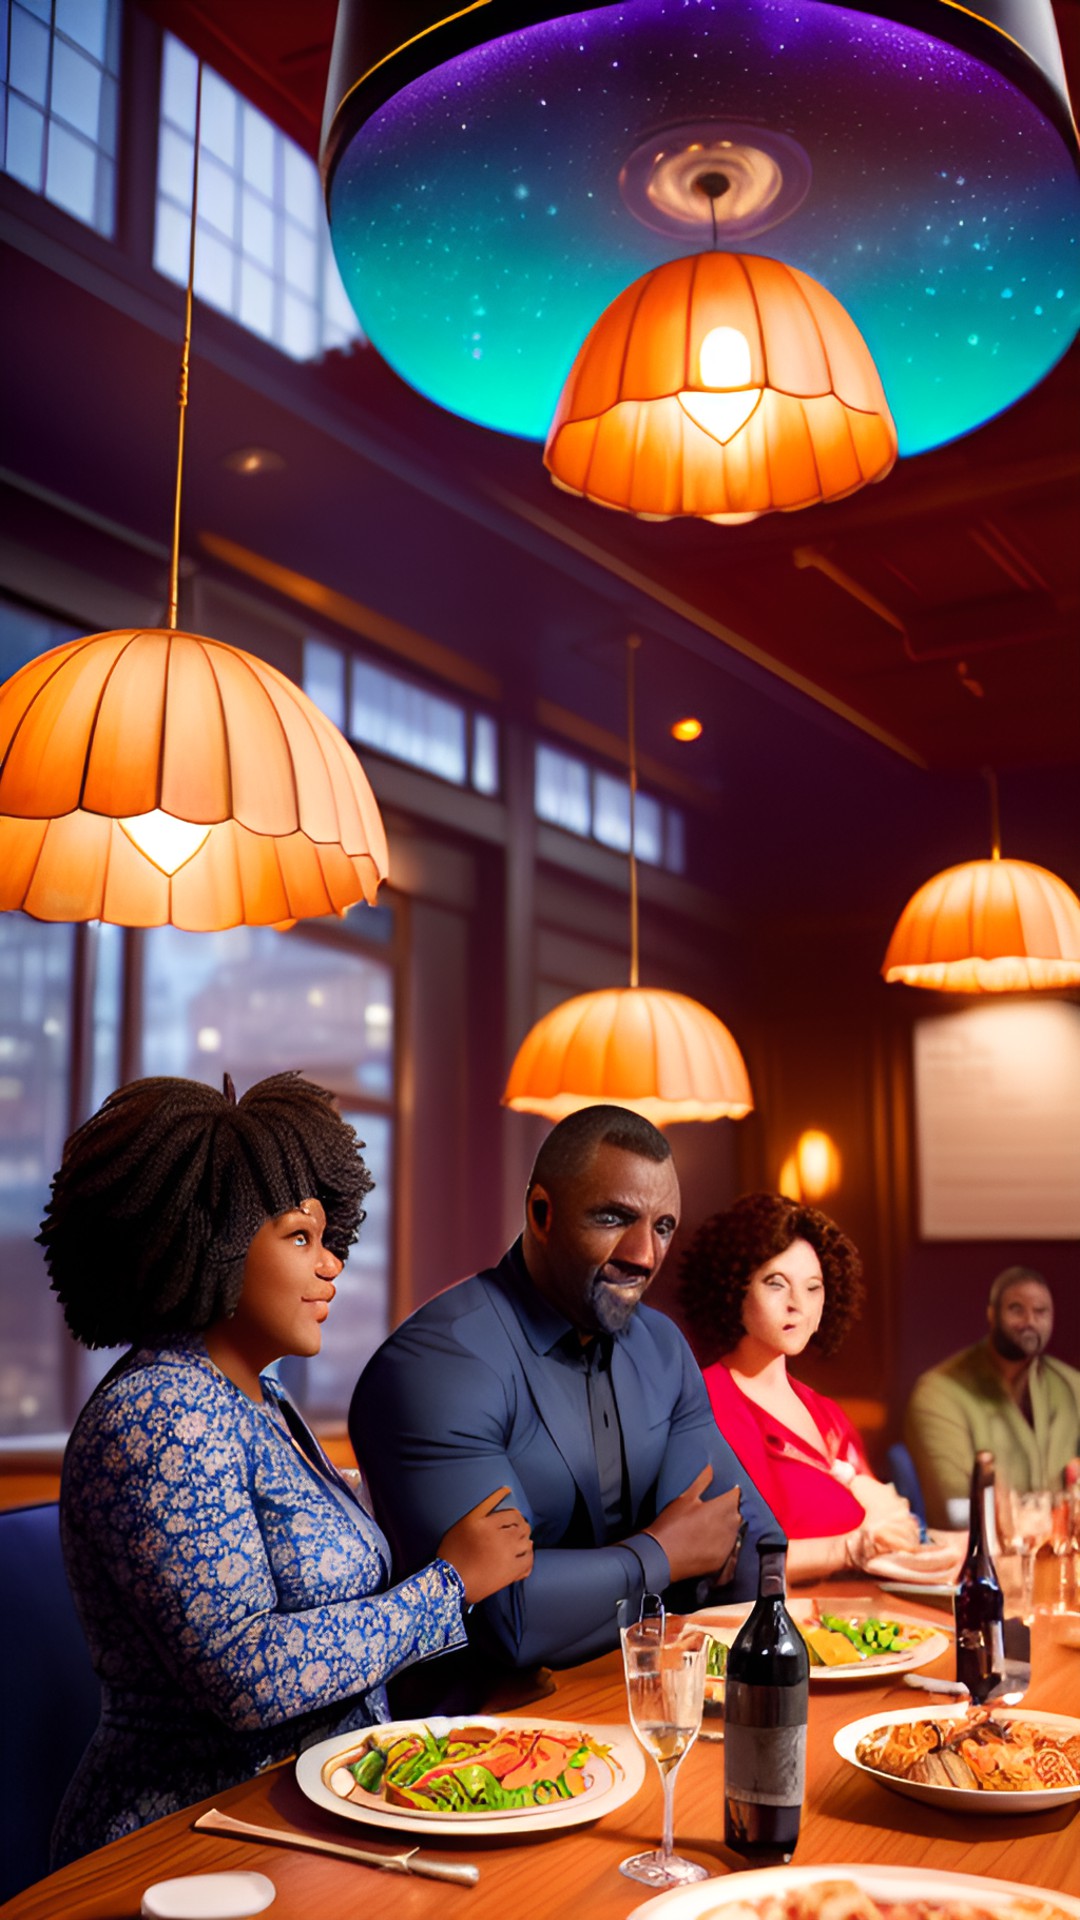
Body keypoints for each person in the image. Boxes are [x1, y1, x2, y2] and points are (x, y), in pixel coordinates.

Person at [39, 1072, 532, 1864]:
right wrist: (449, 1584)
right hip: (185, 1846)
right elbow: (249, 1676)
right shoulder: (163, 1416)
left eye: (332, 1238)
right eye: (300, 1238)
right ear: (210, 1239)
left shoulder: (259, 1397)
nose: (332, 1264)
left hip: (299, 1822)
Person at [350, 1104, 778, 1682]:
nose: (644, 1256)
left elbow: (755, 1547)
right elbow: (510, 1619)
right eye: (613, 1218)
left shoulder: (661, 1346)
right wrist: (663, 1553)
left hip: (643, 1695)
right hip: (477, 1733)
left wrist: (605, 1583)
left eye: (663, 1226)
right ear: (541, 1213)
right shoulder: (439, 1363)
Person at [679, 1193, 959, 1583]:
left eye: (814, 1288)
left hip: (864, 1618)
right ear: (733, 1289)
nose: (799, 1304)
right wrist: (849, 1549)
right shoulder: (713, 1404)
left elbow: (893, 1528)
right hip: (772, 1628)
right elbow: (734, 1559)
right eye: (776, 1284)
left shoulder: (825, 1411)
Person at [904, 1265, 1080, 1530]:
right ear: (992, 1314)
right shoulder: (939, 1392)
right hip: (980, 1566)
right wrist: (1057, 1517)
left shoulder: (1071, 1385)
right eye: (1017, 1309)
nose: (1030, 1321)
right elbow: (955, 1512)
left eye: (1040, 1311)